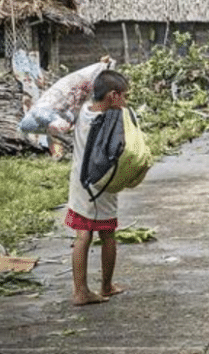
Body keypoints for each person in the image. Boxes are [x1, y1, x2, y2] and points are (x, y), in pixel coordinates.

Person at [64, 69, 129, 306]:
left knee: (83, 235)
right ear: (113, 95)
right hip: (102, 184)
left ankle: (80, 290)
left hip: (80, 183)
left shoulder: (82, 113)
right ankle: (106, 285)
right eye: (124, 96)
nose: (125, 101)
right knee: (108, 234)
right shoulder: (114, 119)